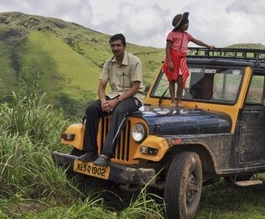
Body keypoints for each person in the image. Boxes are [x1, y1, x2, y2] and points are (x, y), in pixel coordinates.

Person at [78, 33, 145, 166]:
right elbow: (101, 86)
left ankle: (106, 154)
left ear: (124, 46)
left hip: (134, 97)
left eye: (118, 45)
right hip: (113, 95)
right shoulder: (109, 63)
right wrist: (103, 101)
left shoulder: (134, 61)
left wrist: (116, 101)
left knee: (119, 111)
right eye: (113, 45)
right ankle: (91, 151)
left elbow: (135, 87)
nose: (115, 48)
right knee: (92, 109)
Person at [161, 12, 216, 107]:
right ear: (180, 24)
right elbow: (168, 48)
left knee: (180, 81)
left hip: (182, 59)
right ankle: (173, 101)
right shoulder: (171, 34)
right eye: (186, 23)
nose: (188, 25)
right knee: (171, 80)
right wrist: (169, 61)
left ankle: (179, 101)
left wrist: (208, 46)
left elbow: (197, 41)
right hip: (173, 58)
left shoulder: (187, 35)